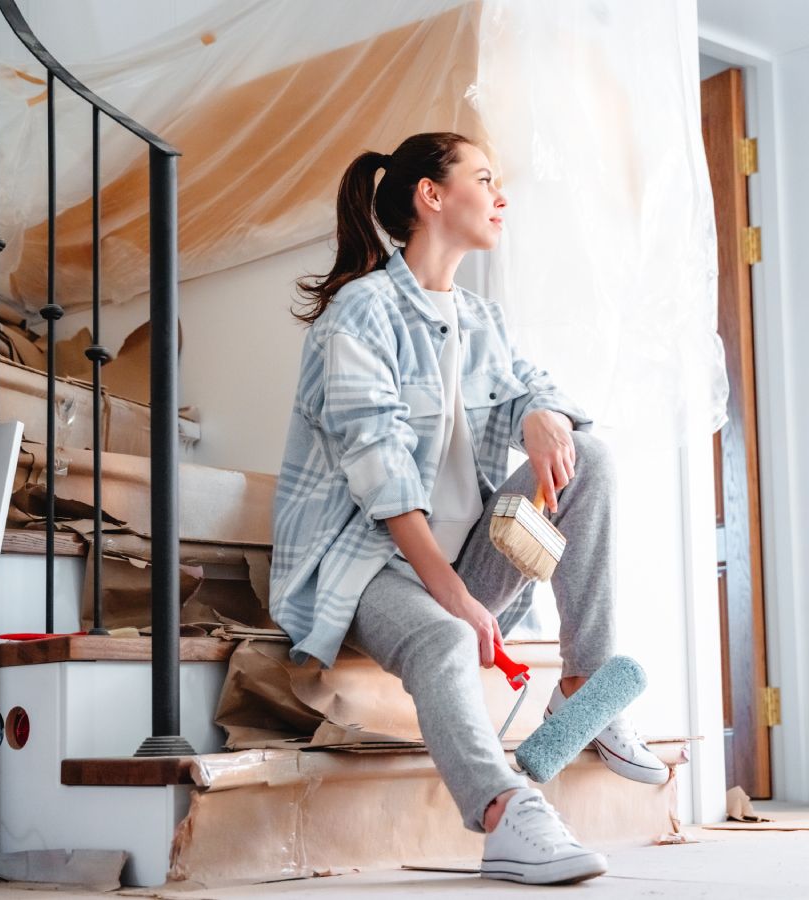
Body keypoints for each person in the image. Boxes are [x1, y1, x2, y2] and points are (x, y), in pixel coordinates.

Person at [269, 132, 666, 886]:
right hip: (366, 568)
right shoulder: (359, 316)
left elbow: (531, 384)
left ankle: (584, 692)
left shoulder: (481, 318)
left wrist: (542, 415)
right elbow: (384, 486)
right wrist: (456, 603)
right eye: (485, 178)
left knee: (595, 457)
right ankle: (504, 813)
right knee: (447, 643)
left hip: (463, 558)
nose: (500, 195)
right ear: (432, 195)